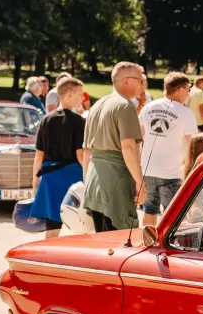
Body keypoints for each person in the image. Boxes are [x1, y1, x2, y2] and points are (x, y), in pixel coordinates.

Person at [82, 62, 148, 231]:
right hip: (116, 180)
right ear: (127, 81)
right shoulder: (125, 106)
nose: (143, 84)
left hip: (94, 181)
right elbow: (128, 147)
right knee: (118, 242)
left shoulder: (97, 105)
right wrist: (140, 182)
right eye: (140, 80)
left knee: (101, 242)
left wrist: (86, 181)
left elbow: (87, 150)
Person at [30, 76, 89, 238]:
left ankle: (47, 259)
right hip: (72, 177)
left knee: (52, 228)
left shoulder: (45, 119)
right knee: (78, 224)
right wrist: (89, 177)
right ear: (69, 94)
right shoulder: (79, 122)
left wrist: (35, 180)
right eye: (79, 94)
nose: (82, 97)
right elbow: (80, 154)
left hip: (50, 178)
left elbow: (39, 154)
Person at [138, 72, 198, 227]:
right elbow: (191, 143)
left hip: (148, 169)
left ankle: (148, 242)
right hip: (172, 172)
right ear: (179, 89)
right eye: (188, 89)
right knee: (174, 215)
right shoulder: (185, 113)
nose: (189, 93)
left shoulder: (148, 108)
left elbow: (141, 137)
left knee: (149, 210)